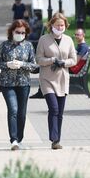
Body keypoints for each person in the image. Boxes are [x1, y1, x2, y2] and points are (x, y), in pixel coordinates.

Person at [0, 19, 39, 151]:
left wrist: (22, 64)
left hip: (23, 83)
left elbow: (34, 65)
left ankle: (19, 138)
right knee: (13, 109)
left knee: (22, 113)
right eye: (17, 32)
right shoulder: (4, 46)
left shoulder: (28, 46)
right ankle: (13, 139)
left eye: (23, 32)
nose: (20, 34)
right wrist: (7, 64)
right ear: (12, 31)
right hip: (7, 83)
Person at [35, 12, 77, 150]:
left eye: (62, 25)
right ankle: (53, 137)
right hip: (47, 79)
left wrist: (63, 63)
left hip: (63, 80)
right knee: (53, 108)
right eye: (57, 25)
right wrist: (51, 60)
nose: (60, 27)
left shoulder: (69, 40)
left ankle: (56, 141)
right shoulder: (44, 39)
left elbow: (73, 60)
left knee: (60, 112)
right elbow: (39, 59)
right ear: (51, 25)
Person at [30, 23, 85, 98]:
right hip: (64, 68)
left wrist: (63, 61)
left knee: (43, 68)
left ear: (83, 35)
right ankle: (41, 86)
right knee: (45, 68)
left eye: (78, 35)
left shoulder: (83, 47)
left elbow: (76, 60)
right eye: (75, 34)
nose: (76, 36)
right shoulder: (79, 46)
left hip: (72, 68)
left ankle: (35, 72)